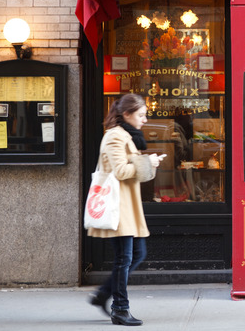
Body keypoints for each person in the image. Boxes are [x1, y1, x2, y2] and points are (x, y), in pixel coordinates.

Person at [88, 93, 162, 326]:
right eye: (141, 115)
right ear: (127, 114)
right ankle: (120, 308)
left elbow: (132, 171)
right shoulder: (114, 137)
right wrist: (147, 162)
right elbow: (120, 171)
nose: (145, 120)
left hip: (127, 205)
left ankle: (102, 295)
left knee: (136, 255)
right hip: (118, 206)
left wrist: (150, 163)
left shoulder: (127, 135)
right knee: (124, 258)